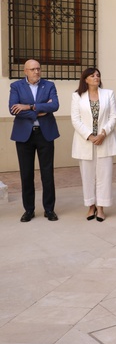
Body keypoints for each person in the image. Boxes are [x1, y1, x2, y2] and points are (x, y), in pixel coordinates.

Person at [9, 59, 60, 222]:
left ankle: (49, 209)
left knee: (47, 173)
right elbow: (13, 109)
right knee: (26, 173)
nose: (36, 72)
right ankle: (29, 210)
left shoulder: (49, 85)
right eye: (32, 69)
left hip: (45, 134)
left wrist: (29, 107)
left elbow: (55, 106)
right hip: (24, 135)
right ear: (25, 71)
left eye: (38, 69)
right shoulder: (16, 86)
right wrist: (40, 109)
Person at [70, 68, 116, 222]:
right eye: (92, 75)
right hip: (85, 142)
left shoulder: (108, 94)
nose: (96, 77)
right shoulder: (77, 96)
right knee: (87, 176)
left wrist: (103, 133)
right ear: (85, 79)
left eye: (98, 75)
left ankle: (101, 208)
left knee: (104, 176)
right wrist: (90, 136)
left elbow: (113, 116)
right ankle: (90, 206)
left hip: (105, 140)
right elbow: (75, 119)